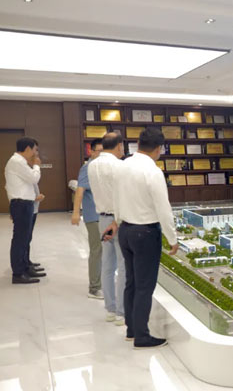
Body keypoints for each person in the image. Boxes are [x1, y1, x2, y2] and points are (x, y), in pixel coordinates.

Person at [111, 128, 178, 348]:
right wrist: (172, 238)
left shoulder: (121, 166)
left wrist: (117, 221)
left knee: (131, 282)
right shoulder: (153, 172)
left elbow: (115, 198)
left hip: (125, 230)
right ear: (159, 149)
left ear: (138, 144)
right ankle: (142, 335)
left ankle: (131, 329)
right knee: (144, 286)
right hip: (146, 233)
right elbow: (163, 208)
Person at [88, 133, 126, 325]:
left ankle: (110, 309)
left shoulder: (91, 165)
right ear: (119, 146)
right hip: (118, 221)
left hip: (102, 219)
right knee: (123, 265)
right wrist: (118, 221)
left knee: (108, 265)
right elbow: (123, 196)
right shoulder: (119, 166)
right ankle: (121, 312)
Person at [4, 137, 44, 284]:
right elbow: (34, 179)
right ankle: (18, 273)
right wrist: (37, 166)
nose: (35, 153)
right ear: (27, 149)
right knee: (20, 239)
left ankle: (24, 267)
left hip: (24, 204)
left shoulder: (19, 162)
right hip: (21, 205)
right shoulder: (17, 162)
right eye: (35, 149)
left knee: (24, 238)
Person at [71, 138, 104, 299]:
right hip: (93, 216)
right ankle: (94, 288)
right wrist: (76, 213)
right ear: (91, 151)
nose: (102, 155)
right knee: (96, 250)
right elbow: (80, 190)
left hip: (105, 215)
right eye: (99, 151)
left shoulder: (104, 168)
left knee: (105, 251)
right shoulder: (87, 168)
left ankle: (103, 282)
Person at [25, 159, 46, 276]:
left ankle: (27, 262)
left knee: (28, 237)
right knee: (25, 238)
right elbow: (22, 194)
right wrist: (36, 198)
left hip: (33, 209)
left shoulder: (29, 172)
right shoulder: (26, 171)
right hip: (28, 209)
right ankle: (25, 265)